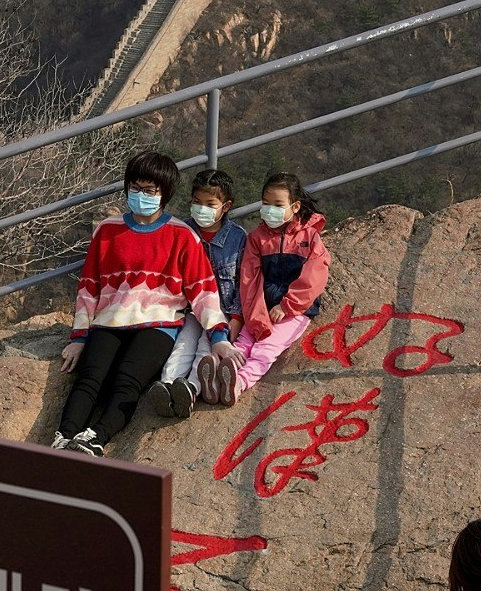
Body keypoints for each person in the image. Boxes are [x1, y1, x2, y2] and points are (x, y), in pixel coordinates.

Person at [51, 150, 233, 455]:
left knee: (127, 380)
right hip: (109, 320)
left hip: (158, 323)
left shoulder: (182, 235)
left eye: (150, 190)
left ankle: (95, 438)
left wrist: (218, 336)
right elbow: (89, 288)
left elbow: (203, 291)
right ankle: (61, 439)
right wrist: (79, 337)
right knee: (90, 379)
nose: (141, 195)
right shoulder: (107, 231)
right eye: (135, 188)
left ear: (165, 193)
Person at [218, 172, 329, 403]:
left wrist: (287, 306)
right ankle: (222, 373)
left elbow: (314, 277)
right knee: (244, 341)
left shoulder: (309, 237)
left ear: (295, 206)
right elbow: (250, 279)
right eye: (266, 204)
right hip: (262, 303)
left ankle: (239, 383)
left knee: (267, 347)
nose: (270, 210)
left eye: (277, 205)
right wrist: (255, 314)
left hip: (295, 310)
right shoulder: (257, 238)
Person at [157, 168, 247, 418]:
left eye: (210, 204)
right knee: (184, 344)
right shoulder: (183, 231)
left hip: (223, 312)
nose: (201, 209)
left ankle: (192, 387)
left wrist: (237, 319)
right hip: (191, 309)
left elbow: (243, 282)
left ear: (226, 206)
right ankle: (166, 386)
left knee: (206, 348)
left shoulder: (238, 238)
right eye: (197, 202)